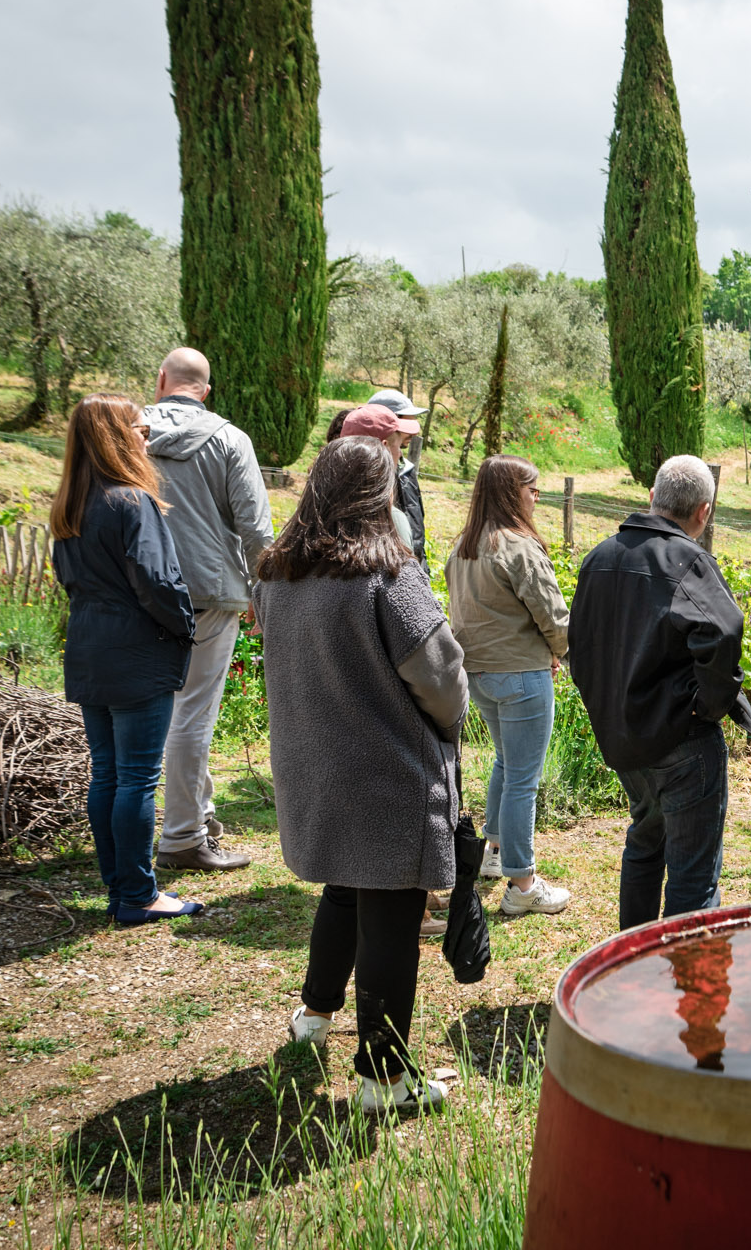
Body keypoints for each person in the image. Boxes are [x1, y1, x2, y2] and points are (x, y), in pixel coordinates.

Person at [256, 437, 467, 1113]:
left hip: (313, 766)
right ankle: (384, 1078)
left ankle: (314, 1015)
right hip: (384, 775)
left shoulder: (278, 571)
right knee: (390, 919)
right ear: (383, 497)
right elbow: (442, 679)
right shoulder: (388, 575)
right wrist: (448, 725)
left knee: (344, 893)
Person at [569, 454, 751, 930]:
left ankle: (630, 962)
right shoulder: (688, 561)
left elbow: (579, 646)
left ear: (652, 498)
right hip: (681, 741)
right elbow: (724, 630)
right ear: (704, 512)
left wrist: (604, 706)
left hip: (625, 738)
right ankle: (681, 989)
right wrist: (707, 706)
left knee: (645, 842)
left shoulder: (600, 556)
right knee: (693, 875)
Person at [49, 394, 202, 926]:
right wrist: (185, 625)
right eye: (140, 429)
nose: (147, 438)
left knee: (109, 773)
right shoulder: (131, 501)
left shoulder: (71, 505)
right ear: (117, 437)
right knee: (137, 775)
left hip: (89, 647)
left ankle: (119, 887)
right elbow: (157, 580)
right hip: (136, 650)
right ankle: (138, 894)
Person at [141, 347, 273, 873]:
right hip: (211, 593)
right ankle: (182, 837)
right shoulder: (228, 438)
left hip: (141, 590)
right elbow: (257, 530)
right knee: (193, 713)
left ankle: (199, 815)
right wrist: (265, 596)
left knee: (167, 708)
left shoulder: (129, 432)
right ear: (207, 392)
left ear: (161, 381)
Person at [446, 454, 573, 917]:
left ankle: (494, 852)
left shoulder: (464, 544)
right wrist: (565, 652)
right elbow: (552, 615)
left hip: (477, 674)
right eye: (531, 488)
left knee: (506, 762)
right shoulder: (518, 545)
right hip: (521, 675)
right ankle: (523, 883)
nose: (537, 496)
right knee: (524, 779)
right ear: (509, 492)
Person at [337, 405, 421, 552]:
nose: (400, 454)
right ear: (385, 449)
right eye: (399, 446)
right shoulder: (391, 521)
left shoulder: (314, 509)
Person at [367, 389, 429, 563]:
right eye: (408, 419)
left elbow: (417, 532)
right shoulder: (364, 475)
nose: (414, 431)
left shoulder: (406, 470)